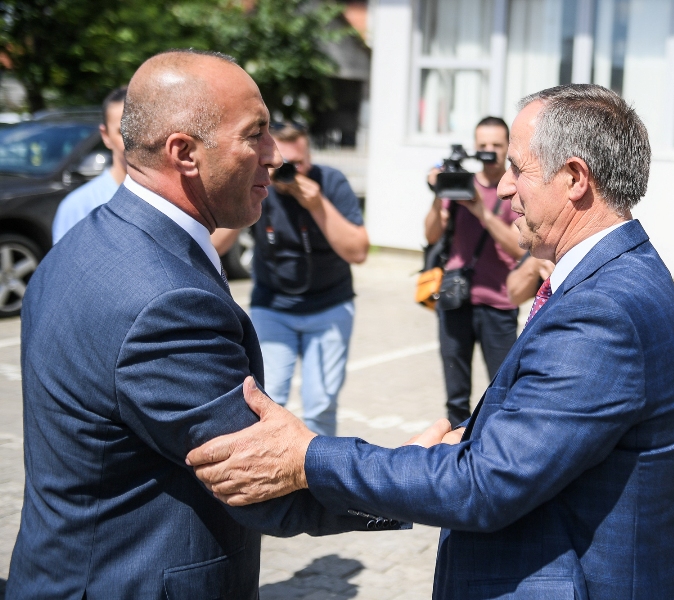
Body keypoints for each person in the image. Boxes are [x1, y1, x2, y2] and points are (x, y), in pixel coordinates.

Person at [188, 84, 674, 598]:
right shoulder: (617, 276)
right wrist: (465, 445)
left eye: (517, 169)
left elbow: (487, 484)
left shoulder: (602, 309)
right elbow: (539, 444)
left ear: (574, 178)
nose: (504, 189)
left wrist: (308, 457)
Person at [6, 50, 388, 600]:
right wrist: (423, 474)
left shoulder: (88, 241)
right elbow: (262, 481)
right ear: (184, 152)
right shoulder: (166, 301)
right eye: (254, 134)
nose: (276, 154)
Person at [212, 123, 368, 436]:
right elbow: (215, 246)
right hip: (273, 307)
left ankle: (319, 465)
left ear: (310, 156)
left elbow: (358, 251)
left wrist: (318, 205)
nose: (291, 172)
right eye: (283, 164)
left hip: (329, 307)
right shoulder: (259, 185)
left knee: (321, 404)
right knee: (267, 399)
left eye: (300, 163)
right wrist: (248, 197)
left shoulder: (330, 182)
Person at [425, 116, 525, 426]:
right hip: (456, 299)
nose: (489, 151)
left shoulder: (516, 190)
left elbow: (519, 249)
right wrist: (439, 193)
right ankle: (457, 449)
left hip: (499, 302)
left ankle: (495, 445)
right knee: (456, 397)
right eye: (483, 145)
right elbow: (431, 235)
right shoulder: (460, 183)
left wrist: (481, 211)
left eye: (496, 145)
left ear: (508, 147)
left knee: (503, 392)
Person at [51, 86, 128, 243]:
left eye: (139, 131)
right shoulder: (78, 207)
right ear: (105, 136)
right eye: (123, 132)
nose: (134, 141)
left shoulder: (169, 197)